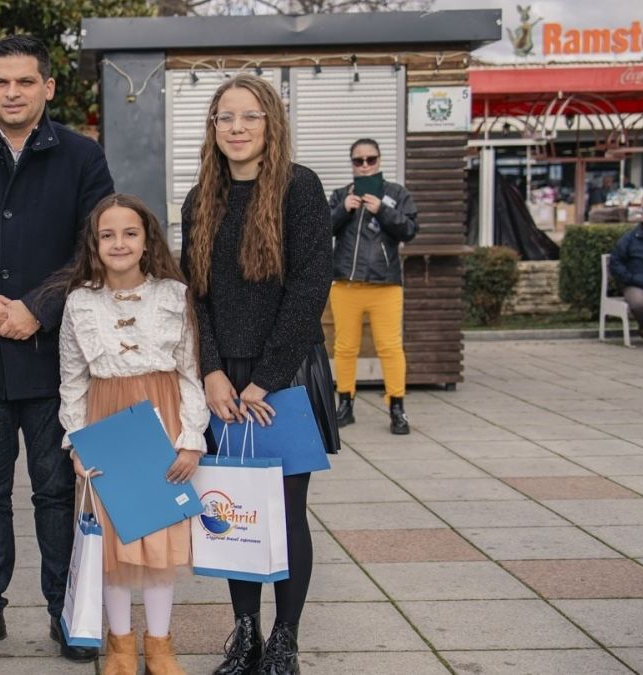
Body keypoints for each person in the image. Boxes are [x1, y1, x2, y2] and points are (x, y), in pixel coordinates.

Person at [0, 34, 114, 664]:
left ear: (48, 88)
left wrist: (38, 308)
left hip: (55, 360)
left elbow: (96, 247)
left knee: (56, 493)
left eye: (26, 81)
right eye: (2, 82)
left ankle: (66, 610)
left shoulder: (83, 158)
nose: (13, 92)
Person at [180, 74, 337, 675]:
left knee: (287, 511)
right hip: (224, 378)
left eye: (250, 116)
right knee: (235, 507)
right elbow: (196, 295)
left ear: (271, 123)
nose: (237, 128)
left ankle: (284, 641)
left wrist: (264, 378)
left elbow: (309, 288)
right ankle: (244, 635)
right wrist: (212, 372)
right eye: (225, 117)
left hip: (285, 374)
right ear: (213, 127)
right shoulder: (201, 198)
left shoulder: (299, 188)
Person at [59, 194, 208, 675]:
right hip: (106, 422)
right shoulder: (80, 302)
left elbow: (191, 372)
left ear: (147, 241)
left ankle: (160, 645)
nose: (118, 243)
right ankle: (120, 646)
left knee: (159, 532)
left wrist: (191, 437)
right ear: (94, 243)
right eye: (108, 235)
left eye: (129, 233)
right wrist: (77, 442)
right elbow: (72, 379)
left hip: (162, 418)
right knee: (114, 537)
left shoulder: (174, 295)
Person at [327, 139, 418, 435]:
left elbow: (410, 230)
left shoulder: (397, 194)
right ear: (352, 163)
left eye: (370, 159)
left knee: (390, 348)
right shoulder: (341, 194)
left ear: (379, 160)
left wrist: (382, 210)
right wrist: (343, 209)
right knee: (344, 347)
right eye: (359, 160)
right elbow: (321, 229)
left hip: (385, 284)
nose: (365, 165)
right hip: (346, 284)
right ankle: (345, 404)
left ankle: (397, 408)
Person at [610, 212, 643, 340]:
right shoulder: (629, 239)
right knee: (638, 303)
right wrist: (630, 278)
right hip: (634, 284)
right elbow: (615, 263)